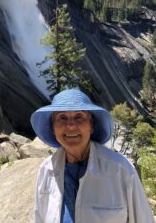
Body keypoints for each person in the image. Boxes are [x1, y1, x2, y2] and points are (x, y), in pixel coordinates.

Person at [31, 88, 155, 223]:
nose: (71, 126)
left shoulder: (121, 170)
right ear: (53, 128)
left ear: (92, 125)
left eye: (79, 117)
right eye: (62, 118)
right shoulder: (46, 170)